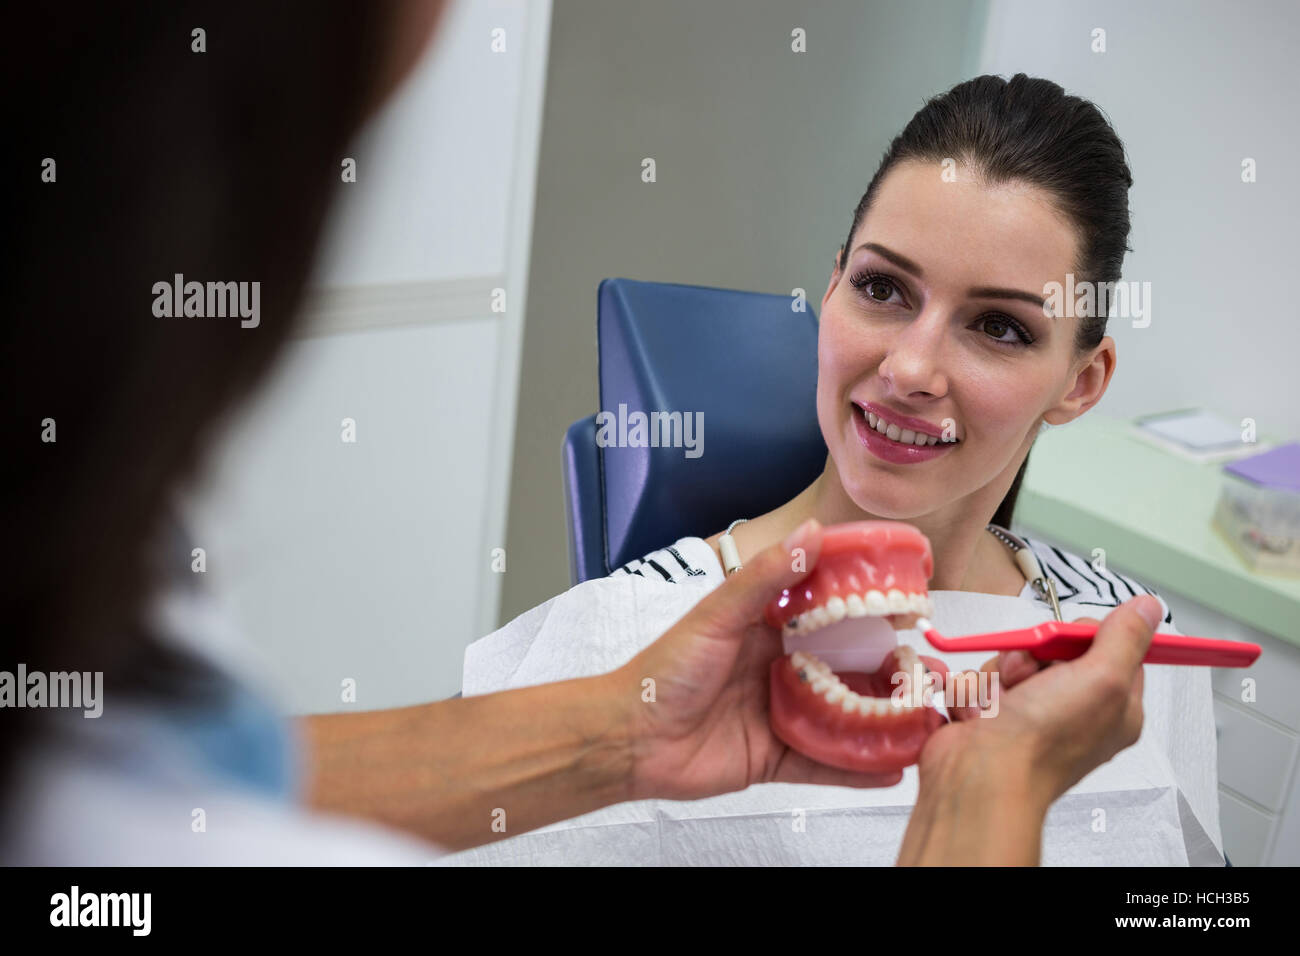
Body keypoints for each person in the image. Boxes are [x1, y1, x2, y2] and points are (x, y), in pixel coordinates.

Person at [2, 1, 1166, 866]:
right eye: (881, 289)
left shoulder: (1117, 646)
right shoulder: (599, 644)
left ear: (1083, 379)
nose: (909, 367)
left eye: (1001, 329)